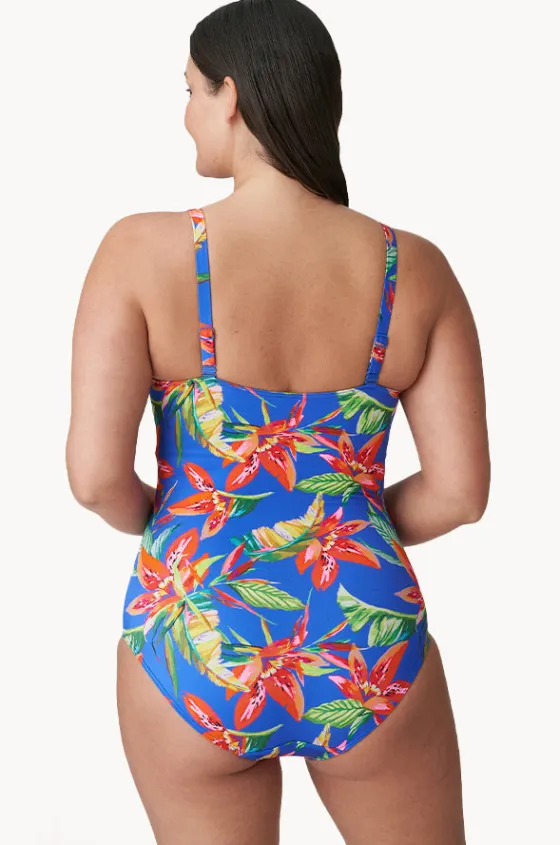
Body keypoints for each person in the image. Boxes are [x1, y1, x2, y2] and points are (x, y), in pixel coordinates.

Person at [66, 1, 490, 842]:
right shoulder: (414, 268)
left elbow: (94, 479)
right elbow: (460, 493)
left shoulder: (141, 252)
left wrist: (190, 521)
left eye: (189, 90)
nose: (186, 114)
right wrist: (335, 517)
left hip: (197, 626)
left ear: (230, 96)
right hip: (364, 631)